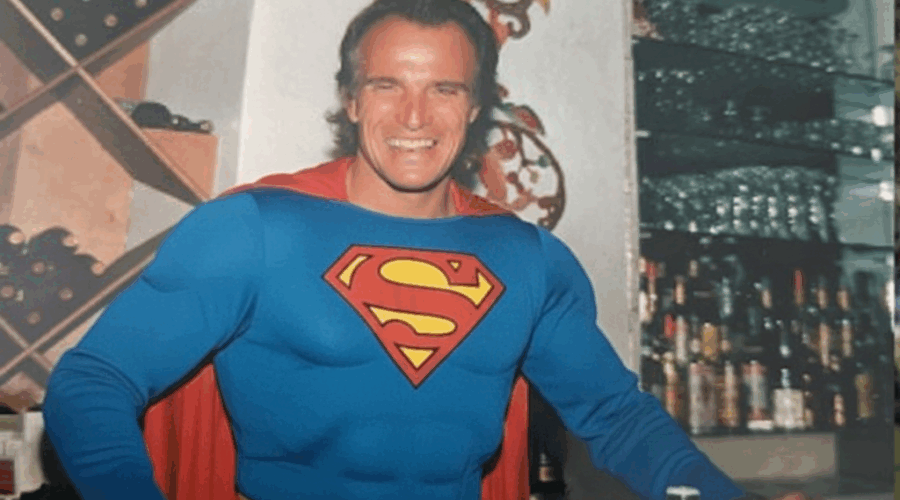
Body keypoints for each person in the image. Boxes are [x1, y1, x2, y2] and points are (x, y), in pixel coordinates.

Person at [42, 1, 813, 499]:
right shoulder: (253, 231)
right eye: (387, 85)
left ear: (476, 108)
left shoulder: (530, 260)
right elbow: (93, 380)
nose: (415, 116)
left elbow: (617, 418)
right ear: (351, 100)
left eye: (444, 89)